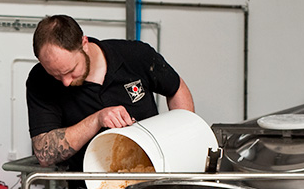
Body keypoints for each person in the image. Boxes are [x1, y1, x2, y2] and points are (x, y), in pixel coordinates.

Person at [26, 15, 194, 177]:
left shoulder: (134, 55)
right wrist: (97, 119)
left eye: (71, 71)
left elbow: (176, 88)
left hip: (149, 179)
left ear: (84, 44)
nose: (65, 82)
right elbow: (44, 154)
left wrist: (181, 142)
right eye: (55, 75)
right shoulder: (40, 80)